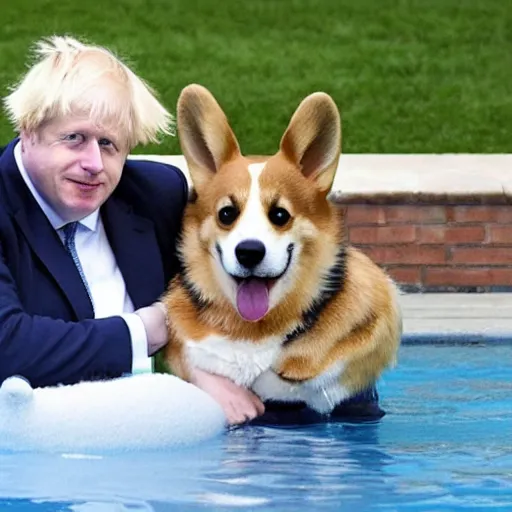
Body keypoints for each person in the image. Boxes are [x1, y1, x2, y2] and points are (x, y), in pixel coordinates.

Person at [0, 35, 264, 426]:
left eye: (109, 145)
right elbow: (9, 347)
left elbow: (230, 296)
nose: (94, 163)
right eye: (75, 139)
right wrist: (146, 331)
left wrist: (195, 364)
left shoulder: (156, 196)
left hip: (147, 444)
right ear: (29, 129)